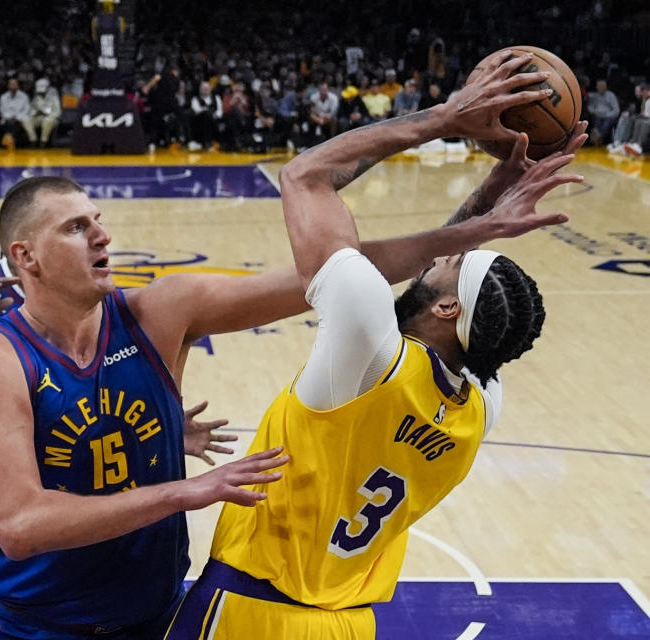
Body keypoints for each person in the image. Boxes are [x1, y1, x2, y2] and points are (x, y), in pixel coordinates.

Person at [0, 86, 568, 635]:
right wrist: (183, 490)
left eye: (99, 221)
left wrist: (473, 225)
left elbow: (334, 272)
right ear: (24, 257)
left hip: (157, 611)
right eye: (76, 227)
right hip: (44, 625)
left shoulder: (161, 312)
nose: (103, 235)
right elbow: (20, 525)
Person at [165, 51, 587, 639]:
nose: (440, 256)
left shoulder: (368, 355)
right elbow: (438, 299)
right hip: (348, 625)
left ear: (446, 308)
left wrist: (445, 118)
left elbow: (305, 176)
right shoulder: (480, 407)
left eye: (450, 264)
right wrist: (483, 206)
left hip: (252, 614)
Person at [0, 252, 237, 632]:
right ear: (25, 248)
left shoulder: (93, 297)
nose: (95, 237)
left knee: (70, 569)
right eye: (73, 225)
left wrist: (153, 431)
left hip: (61, 472)